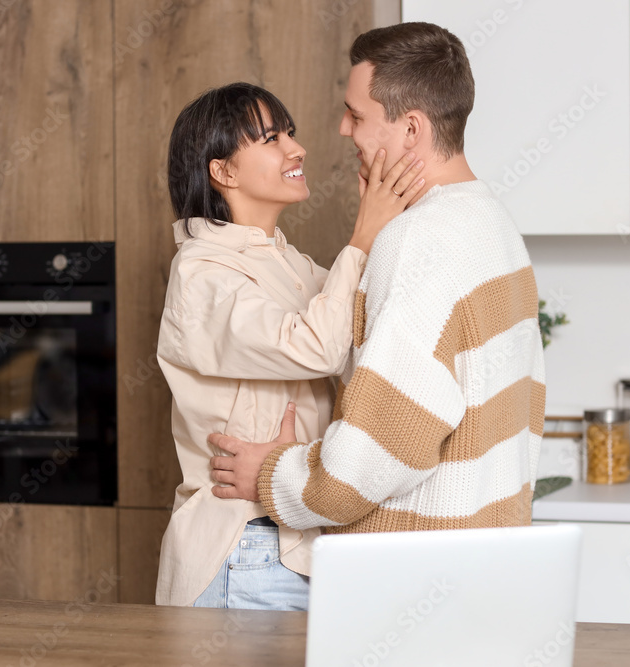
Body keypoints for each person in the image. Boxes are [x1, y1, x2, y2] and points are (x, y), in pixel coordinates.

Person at [209, 23, 546, 535]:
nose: (344, 130)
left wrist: (274, 476)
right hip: (482, 556)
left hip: (413, 576)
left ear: (411, 129)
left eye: (356, 115)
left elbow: (381, 450)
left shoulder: (416, 241)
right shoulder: (493, 225)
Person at [155, 82, 424, 609]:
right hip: (244, 545)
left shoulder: (288, 263)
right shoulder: (201, 273)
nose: (295, 149)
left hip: (293, 538)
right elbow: (318, 349)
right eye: (271, 139)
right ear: (223, 172)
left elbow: (362, 336)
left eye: (290, 134)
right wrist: (364, 234)